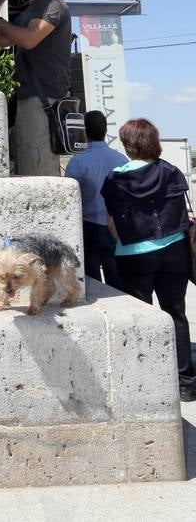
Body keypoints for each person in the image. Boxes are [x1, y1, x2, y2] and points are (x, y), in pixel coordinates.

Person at [101, 118, 196, 401]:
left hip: (134, 255)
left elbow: (111, 222)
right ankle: (186, 383)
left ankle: (148, 380)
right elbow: (180, 210)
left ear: (129, 146)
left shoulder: (115, 179)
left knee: (141, 316)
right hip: (174, 251)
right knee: (176, 313)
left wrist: (126, 241)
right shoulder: (171, 171)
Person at [0, 0, 71, 176]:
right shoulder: (30, 11)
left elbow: (29, 39)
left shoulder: (53, 5)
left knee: (40, 177)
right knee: (28, 171)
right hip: (28, 103)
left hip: (43, 103)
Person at [65, 110, 126, 289]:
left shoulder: (77, 161)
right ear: (106, 130)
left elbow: (70, 198)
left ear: (85, 132)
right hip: (115, 226)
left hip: (88, 225)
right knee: (116, 280)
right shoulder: (121, 159)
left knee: (92, 282)